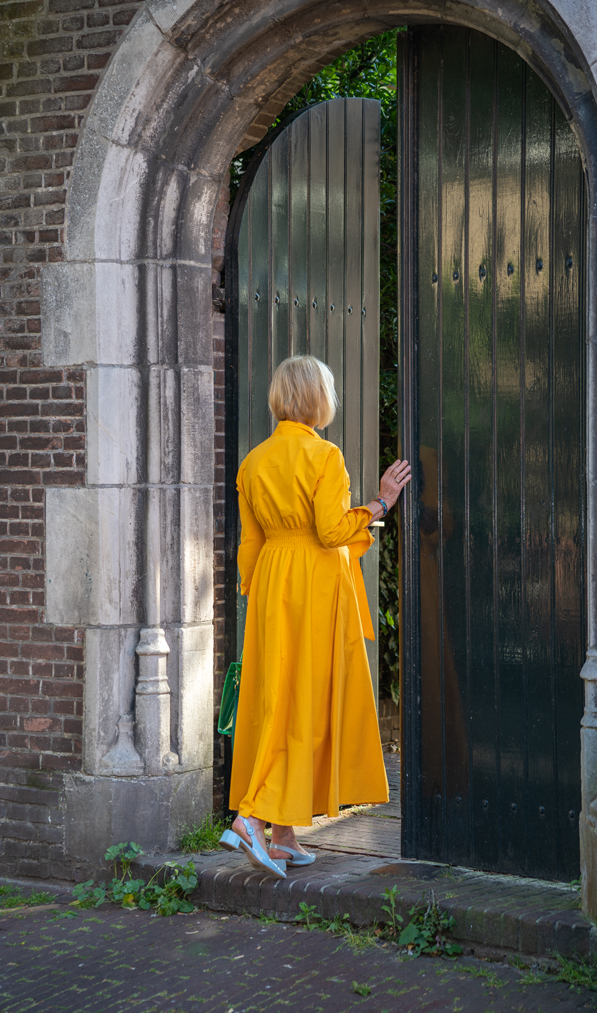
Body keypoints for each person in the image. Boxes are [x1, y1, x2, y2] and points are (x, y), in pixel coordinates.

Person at [220, 354, 411, 877]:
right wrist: (381, 503)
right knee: (303, 700)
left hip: (271, 587)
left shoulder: (253, 461)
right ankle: (252, 818)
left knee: (278, 699)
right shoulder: (325, 457)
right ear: (317, 399)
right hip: (312, 588)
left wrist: (258, 597)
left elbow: (251, 543)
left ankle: (282, 835)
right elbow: (330, 532)